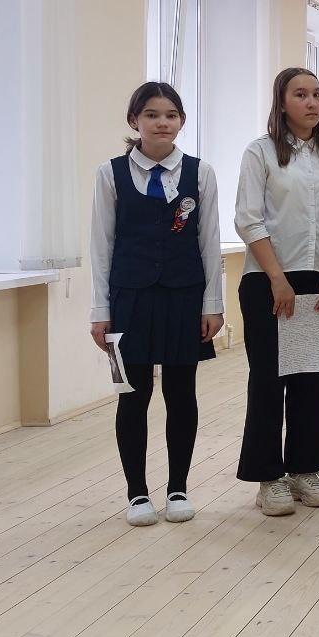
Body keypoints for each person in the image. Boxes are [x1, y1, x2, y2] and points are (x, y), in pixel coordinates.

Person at [89, 82, 222, 526]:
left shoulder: (201, 173)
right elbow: (101, 246)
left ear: (181, 120)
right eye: (151, 114)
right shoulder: (110, 174)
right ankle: (137, 493)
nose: (162, 122)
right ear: (135, 121)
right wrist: (99, 312)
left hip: (184, 297)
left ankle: (178, 487)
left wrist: (212, 304)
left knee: (181, 394)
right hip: (129, 300)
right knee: (132, 396)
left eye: (170, 114)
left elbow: (209, 242)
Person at [235, 67, 319, 516]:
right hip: (268, 279)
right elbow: (248, 219)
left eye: (317, 93)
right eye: (300, 94)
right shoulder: (260, 152)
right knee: (269, 380)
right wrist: (276, 278)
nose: (311, 102)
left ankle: (305, 469)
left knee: (311, 377)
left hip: (317, 280)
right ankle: (269, 478)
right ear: (282, 103)